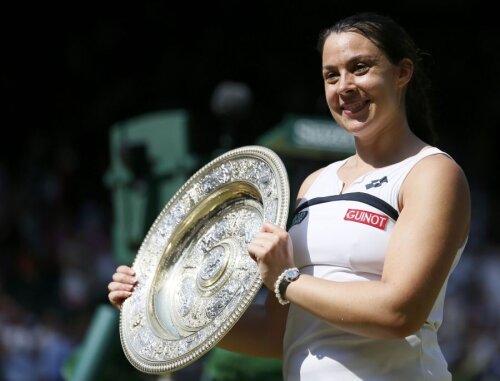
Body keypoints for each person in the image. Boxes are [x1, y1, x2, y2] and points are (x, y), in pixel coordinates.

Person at [108, 12, 471, 381]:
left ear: (402, 73)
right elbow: (274, 334)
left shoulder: (431, 173)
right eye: (332, 75)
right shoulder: (314, 184)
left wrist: (285, 280)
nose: (344, 86)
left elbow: (400, 313)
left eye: (360, 68)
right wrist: (157, 309)